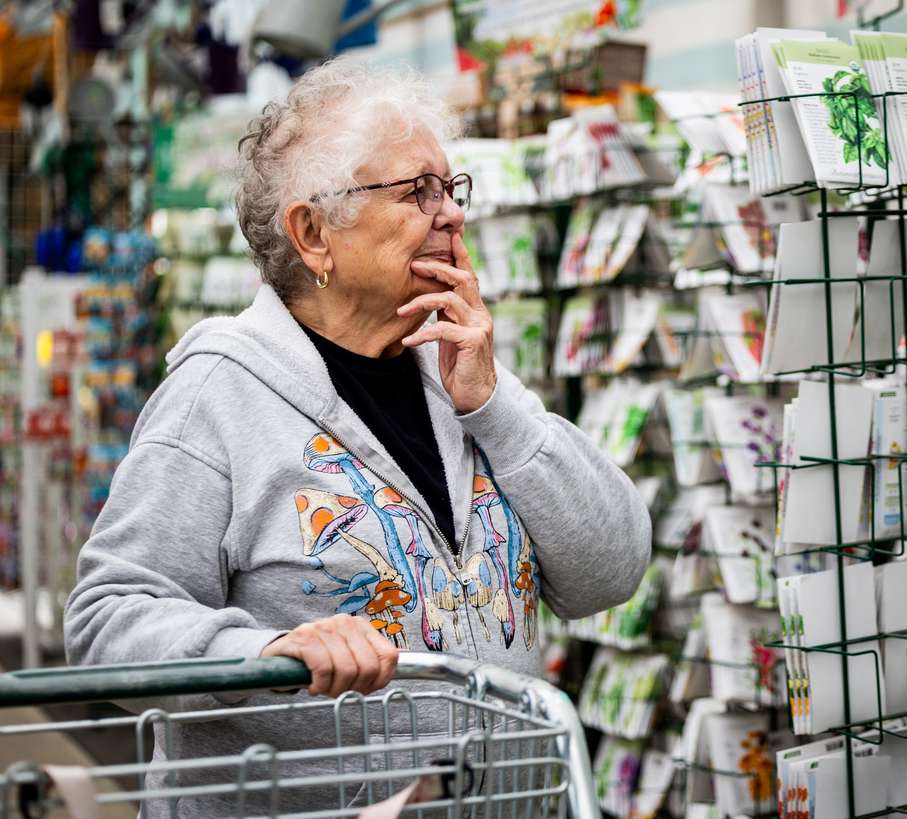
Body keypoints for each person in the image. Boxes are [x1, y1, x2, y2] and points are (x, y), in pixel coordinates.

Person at [63, 56, 652, 815]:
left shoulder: (458, 370)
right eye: (417, 191)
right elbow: (108, 612)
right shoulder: (216, 395)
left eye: (451, 188)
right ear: (313, 233)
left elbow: (613, 570)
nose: (452, 215)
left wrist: (495, 405)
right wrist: (261, 654)